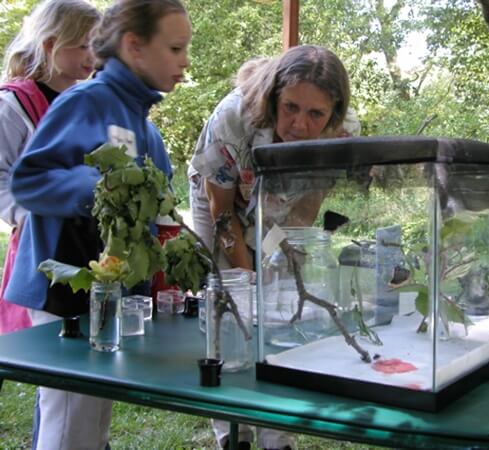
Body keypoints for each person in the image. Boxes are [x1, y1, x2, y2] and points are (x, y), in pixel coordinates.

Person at [5, 1, 191, 448]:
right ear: (135, 47)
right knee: (69, 421)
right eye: (175, 47)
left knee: (93, 420)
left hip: (109, 292)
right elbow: (29, 181)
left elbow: (160, 210)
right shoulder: (86, 101)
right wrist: (99, 188)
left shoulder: (144, 123)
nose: (184, 61)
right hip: (65, 289)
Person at [188, 44, 360, 450]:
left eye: (315, 114)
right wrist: (247, 275)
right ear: (273, 98)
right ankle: (233, 433)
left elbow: (307, 206)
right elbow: (223, 216)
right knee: (230, 304)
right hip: (221, 200)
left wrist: (278, 256)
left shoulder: (344, 131)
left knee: (283, 302)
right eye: (291, 107)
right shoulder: (233, 118)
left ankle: (276, 435)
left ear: (333, 114)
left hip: (283, 204)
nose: (300, 124)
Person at [0, 0, 100, 336]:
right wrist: (26, 216)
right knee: (59, 349)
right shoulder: (13, 106)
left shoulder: (88, 101)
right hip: (44, 251)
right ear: (50, 45)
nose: (92, 56)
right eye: (84, 46)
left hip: (92, 246)